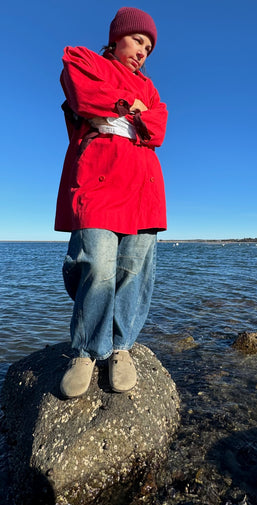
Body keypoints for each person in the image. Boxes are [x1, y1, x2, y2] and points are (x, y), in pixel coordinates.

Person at [54, 7, 168, 398]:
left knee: (133, 270)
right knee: (96, 264)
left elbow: (159, 127)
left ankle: (120, 347)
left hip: (144, 186)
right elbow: (83, 93)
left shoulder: (150, 88)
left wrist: (123, 114)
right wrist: (132, 110)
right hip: (99, 180)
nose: (143, 52)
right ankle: (86, 350)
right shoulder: (87, 60)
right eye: (138, 40)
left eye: (149, 47)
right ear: (117, 37)